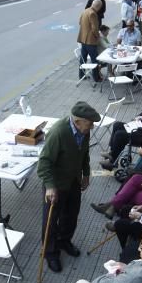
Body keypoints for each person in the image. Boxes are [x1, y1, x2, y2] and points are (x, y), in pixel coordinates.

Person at [37, 101, 101, 273]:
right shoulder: (58, 132)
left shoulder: (83, 130)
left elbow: (85, 153)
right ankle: (50, 252)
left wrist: (86, 173)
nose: (92, 127)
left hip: (73, 180)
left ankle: (64, 241)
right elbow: (44, 163)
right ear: (78, 121)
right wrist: (50, 186)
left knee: (71, 214)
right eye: (90, 123)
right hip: (56, 184)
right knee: (50, 220)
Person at [77, 0, 103, 82]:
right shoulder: (93, 13)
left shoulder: (85, 11)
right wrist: (98, 37)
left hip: (83, 39)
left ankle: (81, 75)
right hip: (90, 41)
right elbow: (95, 29)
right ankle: (96, 78)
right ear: (98, 7)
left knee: (83, 59)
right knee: (94, 60)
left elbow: (80, 22)